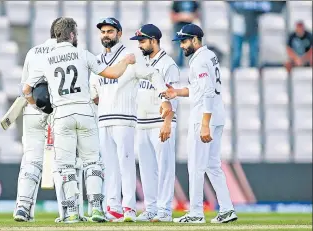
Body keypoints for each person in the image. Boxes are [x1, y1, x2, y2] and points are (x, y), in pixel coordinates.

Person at [23, 17, 137, 223]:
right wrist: (126, 61)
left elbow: (26, 89)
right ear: (73, 35)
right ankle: (96, 209)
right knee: (92, 162)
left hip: (61, 115)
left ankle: (72, 212)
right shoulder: (83, 54)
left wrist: (35, 105)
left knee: (66, 166)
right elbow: (112, 74)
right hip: (84, 112)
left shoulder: (45, 59)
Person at [90, 18, 172, 222]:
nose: (106, 35)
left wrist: (164, 97)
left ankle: (129, 208)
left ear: (118, 34)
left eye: (110, 31)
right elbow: (93, 87)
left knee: (125, 163)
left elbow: (153, 74)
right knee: (109, 166)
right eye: (103, 32)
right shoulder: (97, 59)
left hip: (124, 118)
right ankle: (114, 207)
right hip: (104, 119)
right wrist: (96, 97)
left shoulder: (132, 56)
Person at [164, 24, 238, 224]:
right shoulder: (208, 56)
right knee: (213, 166)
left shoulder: (199, 61)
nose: (182, 46)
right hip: (216, 116)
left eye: (185, 41)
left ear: (195, 40)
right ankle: (227, 209)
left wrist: (205, 123)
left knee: (196, 165)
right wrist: (177, 92)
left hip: (204, 118)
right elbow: (199, 88)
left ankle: (196, 212)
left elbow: (206, 92)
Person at [12, 17, 61, 222]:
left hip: (33, 109)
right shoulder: (69, 53)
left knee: (31, 159)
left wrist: (33, 103)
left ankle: (23, 208)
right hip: (59, 112)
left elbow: (25, 85)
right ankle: (69, 212)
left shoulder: (33, 51)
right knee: (64, 162)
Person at [129, 24, 180, 222]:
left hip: (161, 122)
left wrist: (167, 122)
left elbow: (172, 96)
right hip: (142, 122)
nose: (140, 45)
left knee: (165, 168)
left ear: (154, 40)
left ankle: (165, 210)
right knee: (147, 169)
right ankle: (150, 208)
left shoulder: (168, 64)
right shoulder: (141, 64)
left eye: (143, 41)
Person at [170, 1, 199, 67]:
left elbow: (197, 14)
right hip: (178, 27)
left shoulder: (193, 2)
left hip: (190, 27)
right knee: (179, 47)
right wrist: (183, 17)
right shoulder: (177, 2)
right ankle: (179, 66)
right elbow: (172, 16)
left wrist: (188, 17)